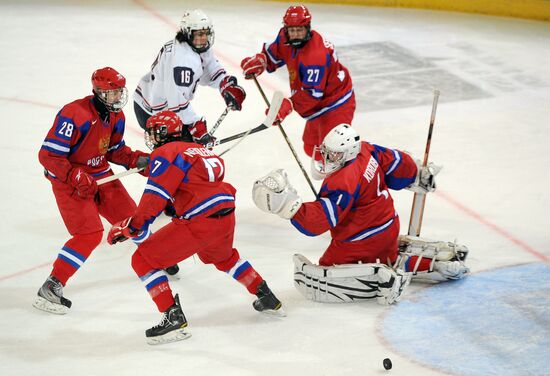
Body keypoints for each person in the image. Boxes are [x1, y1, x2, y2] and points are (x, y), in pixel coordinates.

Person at [107, 110, 284, 345]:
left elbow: (155, 198)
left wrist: (132, 227)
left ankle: (172, 318)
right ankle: (266, 295)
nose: (150, 139)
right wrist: (154, 167)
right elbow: (187, 175)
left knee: (141, 260)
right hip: (225, 215)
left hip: (200, 219)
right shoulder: (202, 152)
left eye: (152, 133)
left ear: (161, 133)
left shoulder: (166, 152)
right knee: (224, 258)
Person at [252, 124, 469, 305]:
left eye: (335, 153)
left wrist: (289, 207)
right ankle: (437, 266)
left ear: (348, 153)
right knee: (390, 256)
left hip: (359, 240)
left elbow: (321, 220)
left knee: (324, 267)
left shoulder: (342, 180)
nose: (328, 156)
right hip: (389, 226)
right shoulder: (366, 150)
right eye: (327, 150)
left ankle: (383, 279)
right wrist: (416, 173)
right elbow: (396, 162)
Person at [34, 67, 151, 315]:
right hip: (69, 183)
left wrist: (137, 161)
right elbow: (48, 155)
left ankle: (157, 256)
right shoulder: (74, 114)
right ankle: (52, 285)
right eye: (112, 93)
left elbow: (114, 151)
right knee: (89, 234)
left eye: (120, 91)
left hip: (100, 175)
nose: (118, 97)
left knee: (134, 219)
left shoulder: (116, 116)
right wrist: (74, 174)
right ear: (98, 92)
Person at [240, 4, 355, 179]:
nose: (294, 34)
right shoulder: (285, 36)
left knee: (333, 157)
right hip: (318, 105)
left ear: (307, 28)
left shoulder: (315, 55)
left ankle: (347, 186)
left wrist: (288, 105)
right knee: (311, 147)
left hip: (336, 103)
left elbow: (311, 95)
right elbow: (274, 54)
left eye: (299, 30)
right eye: (291, 30)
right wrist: (261, 60)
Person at [133, 9, 246, 146]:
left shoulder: (195, 45)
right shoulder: (182, 60)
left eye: (206, 33)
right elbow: (176, 101)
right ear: (188, 33)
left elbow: (209, 66)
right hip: (152, 112)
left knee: (189, 147)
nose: (204, 38)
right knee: (182, 150)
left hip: (163, 106)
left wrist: (224, 84)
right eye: (199, 34)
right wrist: (195, 125)